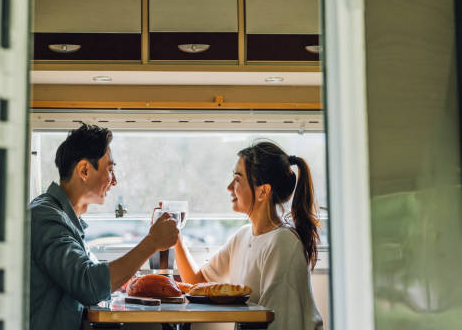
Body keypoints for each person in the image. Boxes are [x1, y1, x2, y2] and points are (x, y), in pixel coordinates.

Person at [30, 124, 179, 330]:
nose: (114, 181)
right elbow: (89, 285)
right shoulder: (45, 218)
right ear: (84, 170)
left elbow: (93, 274)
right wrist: (152, 242)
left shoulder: (64, 220)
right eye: (110, 169)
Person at [174, 141, 323, 330]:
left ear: (263, 191)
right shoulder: (243, 236)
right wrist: (176, 236)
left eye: (237, 179)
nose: (229, 187)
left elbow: (281, 324)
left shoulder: (283, 243)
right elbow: (199, 283)